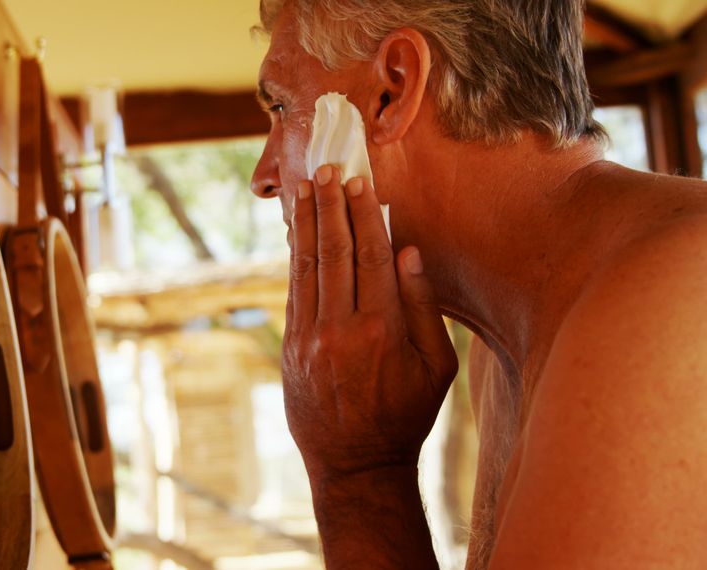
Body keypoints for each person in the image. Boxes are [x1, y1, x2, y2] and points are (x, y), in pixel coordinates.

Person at [249, 0, 707, 567]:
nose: (263, 178)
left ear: (393, 90)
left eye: (281, 105)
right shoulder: (500, 353)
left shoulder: (671, 302)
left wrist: (358, 473)